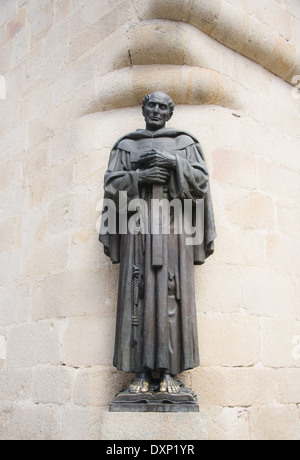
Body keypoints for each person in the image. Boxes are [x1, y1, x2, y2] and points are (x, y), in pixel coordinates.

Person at [100, 92, 216, 394]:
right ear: (143, 108)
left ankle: (167, 373)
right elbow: (112, 184)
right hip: (136, 229)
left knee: (171, 295)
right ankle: (139, 372)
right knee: (136, 295)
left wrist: (173, 162)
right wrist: (139, 176)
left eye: (163, 107)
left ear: (170, 113)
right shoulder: (127, 145)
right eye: (151, 105)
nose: (156, 110)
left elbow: (201, 183)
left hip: (174, 228)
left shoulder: (185, 143)